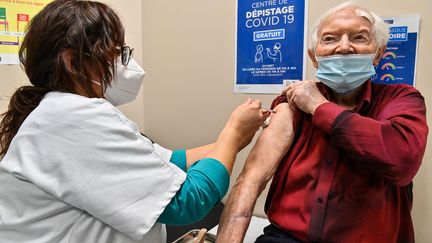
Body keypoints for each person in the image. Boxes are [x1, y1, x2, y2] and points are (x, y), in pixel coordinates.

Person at [0, 0, 276, 242]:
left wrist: (236, 139)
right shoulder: (72, 119)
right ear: (73, 63)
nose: (122, 64)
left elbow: (171, 160)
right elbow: (188, 202)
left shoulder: (63, 112)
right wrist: (233, 131)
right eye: (114, 53)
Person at [216, 2, 428, 243]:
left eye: (359, 38)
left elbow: (402, 159)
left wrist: (318, 106)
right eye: (329, 39)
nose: (344, 47)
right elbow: (252, 179)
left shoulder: (402, 99)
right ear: (314, 57)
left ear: (378, 53)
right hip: (286, 238)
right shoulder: (292, 105)